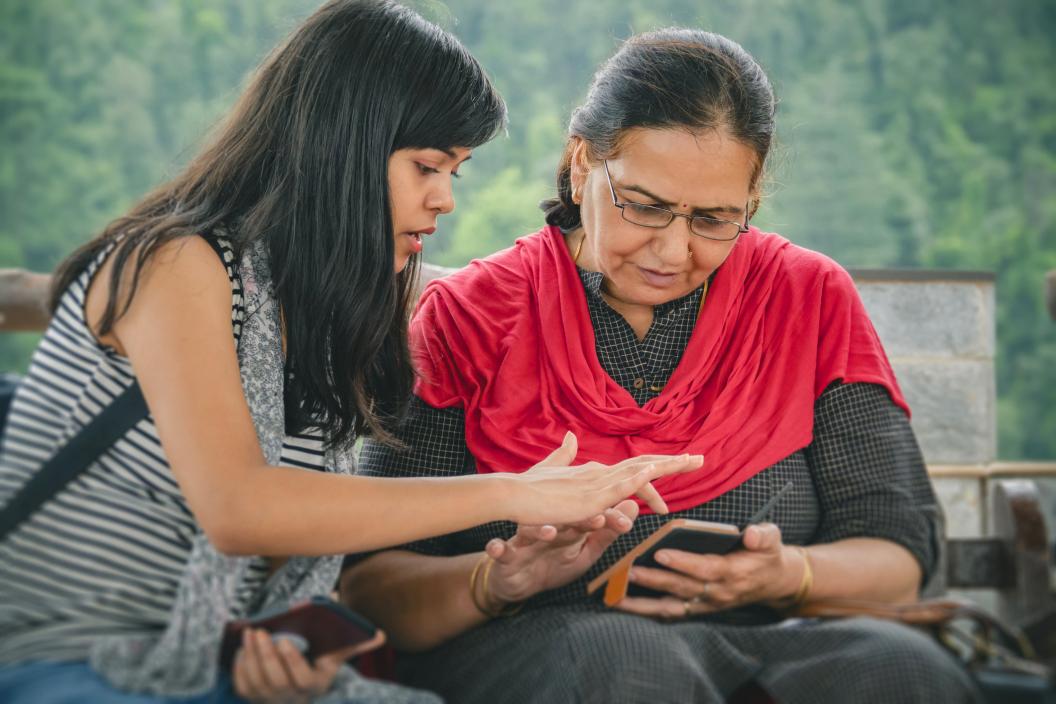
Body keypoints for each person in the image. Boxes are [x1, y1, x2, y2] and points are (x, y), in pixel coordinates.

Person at [0, 3, 701, 702]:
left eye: (455, 173)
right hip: (60, 664)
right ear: (339, 147)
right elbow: (240, 507)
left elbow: (518, 295)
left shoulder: (331, 298)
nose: (445, 200)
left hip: (203, 666)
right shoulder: (174, 265)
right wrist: (516, 492)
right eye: (427, 166)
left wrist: (278, 654)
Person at [340, 28, 982, 703]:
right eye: (644, 207)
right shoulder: (471, 317)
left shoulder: (807, 299)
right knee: (624, 662)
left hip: (773, 638)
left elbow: (896, 558)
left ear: (751, 204)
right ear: (583, 164)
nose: (673, 252)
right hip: (546, 645)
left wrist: (787, 574)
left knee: (903, 669)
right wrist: (496, 581)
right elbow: (373, 585)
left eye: (713, 219)